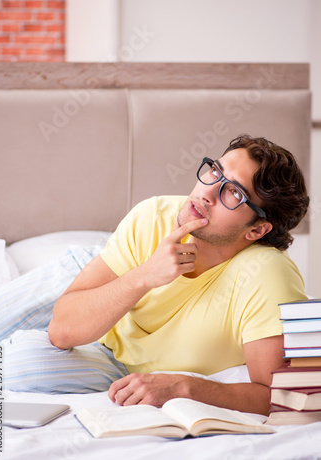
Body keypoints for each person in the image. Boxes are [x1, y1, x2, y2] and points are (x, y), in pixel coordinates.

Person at [47, 134, 309, 416]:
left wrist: (186, 388)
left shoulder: (266, 274)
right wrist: (145, 275)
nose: (207, 193)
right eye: (215, 171)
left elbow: (288, 397)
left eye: (233, 192)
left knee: (20, 365)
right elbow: (61, 330)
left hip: (115, 363)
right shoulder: (152, 217)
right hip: (103, 299)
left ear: (257, 229)